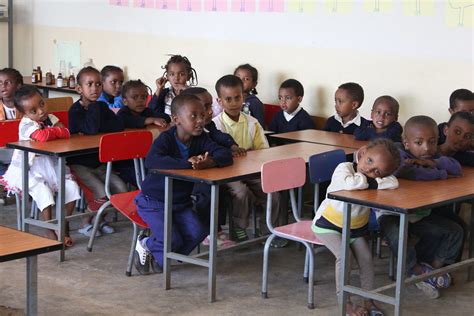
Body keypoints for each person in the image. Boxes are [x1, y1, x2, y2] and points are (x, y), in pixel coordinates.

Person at [134, 94, 233, 274]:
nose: (201, 121)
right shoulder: (166, 139)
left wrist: (209, 162)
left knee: (198, 232)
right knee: (172, 240)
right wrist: (189, 164)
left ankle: (160, 257)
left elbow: (224, 154)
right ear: (176, 119)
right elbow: (152, 161)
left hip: (180, 202)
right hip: (154, 201)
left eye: (202, 115)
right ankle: (147, 243)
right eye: (193, 116)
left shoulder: (201, 139)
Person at [378, 115, 464, 299]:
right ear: (406, 142)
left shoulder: (434, 156)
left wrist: (433, 163)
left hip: (418, 214)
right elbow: (410, 172)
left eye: (432, 142)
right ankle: (415, 270)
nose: (426, 148)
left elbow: (456, 168)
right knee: (398, 233)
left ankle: (430, 270)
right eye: (419, 142)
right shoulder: (397, 154)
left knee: (454, 231)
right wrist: (441, 174)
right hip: (390, 214)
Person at [313, 138, 400, 316]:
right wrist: (374, 181)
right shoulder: (344, 168)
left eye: (377, 171)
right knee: (345, 256)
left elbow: (393, 183)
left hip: (354, 229)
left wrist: (373, 180)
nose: (369, 169)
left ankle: (367, 300)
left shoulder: (370, 178)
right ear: (361, 154)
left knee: (367, 259)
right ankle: (344, 302)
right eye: (369, 161)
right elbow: (350, 184)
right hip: (328, 225)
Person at [2, 86, 80, 246]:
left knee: (71, 187)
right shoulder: (25, 124)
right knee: (44, 193)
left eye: (42, 104)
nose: (40, 111)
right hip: (30, 169)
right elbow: (42, 136)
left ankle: (63, 223)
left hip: (51, 165)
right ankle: (49, 228)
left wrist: (57, 132)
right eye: (33, 110)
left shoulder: (50, 117)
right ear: (24, 113)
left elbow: (66, 132)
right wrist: (56, 132)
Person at [212, 75, 282, 243]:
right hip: (226, 174)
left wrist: (251, 154)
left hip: (251, 170)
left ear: (243, 97)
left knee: (272, 190)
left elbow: (263, 151)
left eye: (237, 98)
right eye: (228, 99)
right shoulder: (216, 125)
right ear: (219, 101)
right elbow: (216, 153)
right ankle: (239, 226)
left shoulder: (253, 123)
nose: (234, 103)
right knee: (241, 192)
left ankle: (269, 229)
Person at [181, 87, 245, 247]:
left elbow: (221, 141)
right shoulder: (179, 135)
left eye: (210, 106)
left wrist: (232, 146)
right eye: (206, 107)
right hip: (186, 178)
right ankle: (207, 232)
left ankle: (216, 231)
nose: (210, 111)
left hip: (208, 173)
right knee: (207, 193)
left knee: (219, 189)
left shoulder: (209, 128)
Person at [68, 66, 127, 237]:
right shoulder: (76, 110)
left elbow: (118, 125)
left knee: (121, 190)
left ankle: (99, 220)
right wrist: (95, 112)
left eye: (98, 84)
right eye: (90, 84)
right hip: (80, 164)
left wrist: (97, 121)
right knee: (102, 193)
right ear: (79, 89)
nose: (95, 88)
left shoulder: (100, 106)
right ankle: (86, 222)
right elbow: (92, 129)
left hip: (100, 162)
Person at [149, 54, 198, 120]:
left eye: (181, 74)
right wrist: (159, 89)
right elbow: (150, 111)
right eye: (172, 74)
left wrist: (188, 92)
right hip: (168, 128)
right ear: (167, 77)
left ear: (188, 76)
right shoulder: (165, 93)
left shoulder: (194, 93)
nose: (176, 78)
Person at [0, 68, 23, 177]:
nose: (2, 86)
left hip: (22, 151)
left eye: (7, 83)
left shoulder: (26, 107)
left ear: (18, 86)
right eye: (0, 83)